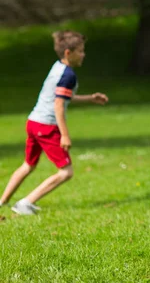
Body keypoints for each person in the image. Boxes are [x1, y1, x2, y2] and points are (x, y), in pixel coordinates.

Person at [0, 31, 108, 215]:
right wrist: (64, 135)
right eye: (80, 51)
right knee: (66, 172)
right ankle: (25, 203)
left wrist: (91, 98)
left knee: (28, 165)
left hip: (33, 121)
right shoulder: (68, 76)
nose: (83, 55)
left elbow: (63, 98)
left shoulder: (57, 67)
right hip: (46, 126)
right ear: (68, 52)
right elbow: (58, 105)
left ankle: (2, 202)